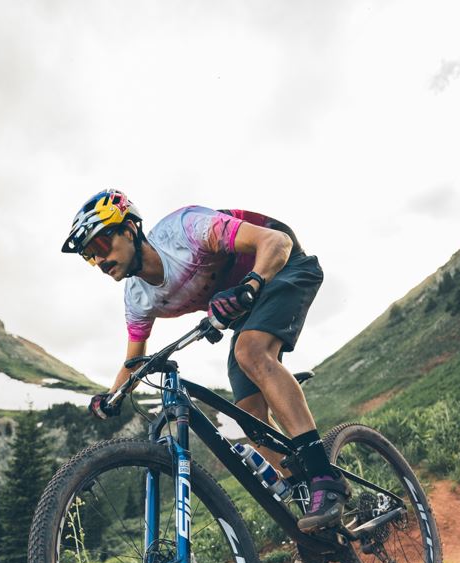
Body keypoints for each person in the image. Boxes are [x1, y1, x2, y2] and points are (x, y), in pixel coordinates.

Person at [61, 188, 347, 531]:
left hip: (282, 268)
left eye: (101, 246)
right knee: (249, 415)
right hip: (245, 307)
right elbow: (133, 361)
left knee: (250, 352)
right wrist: (113, 396)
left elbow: (277, 242)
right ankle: (313, 514)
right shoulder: (137, 297)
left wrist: (252, 283)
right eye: (89, 256)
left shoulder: (185, 231)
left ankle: (323, 479)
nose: (99, 261)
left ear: (130, 229)